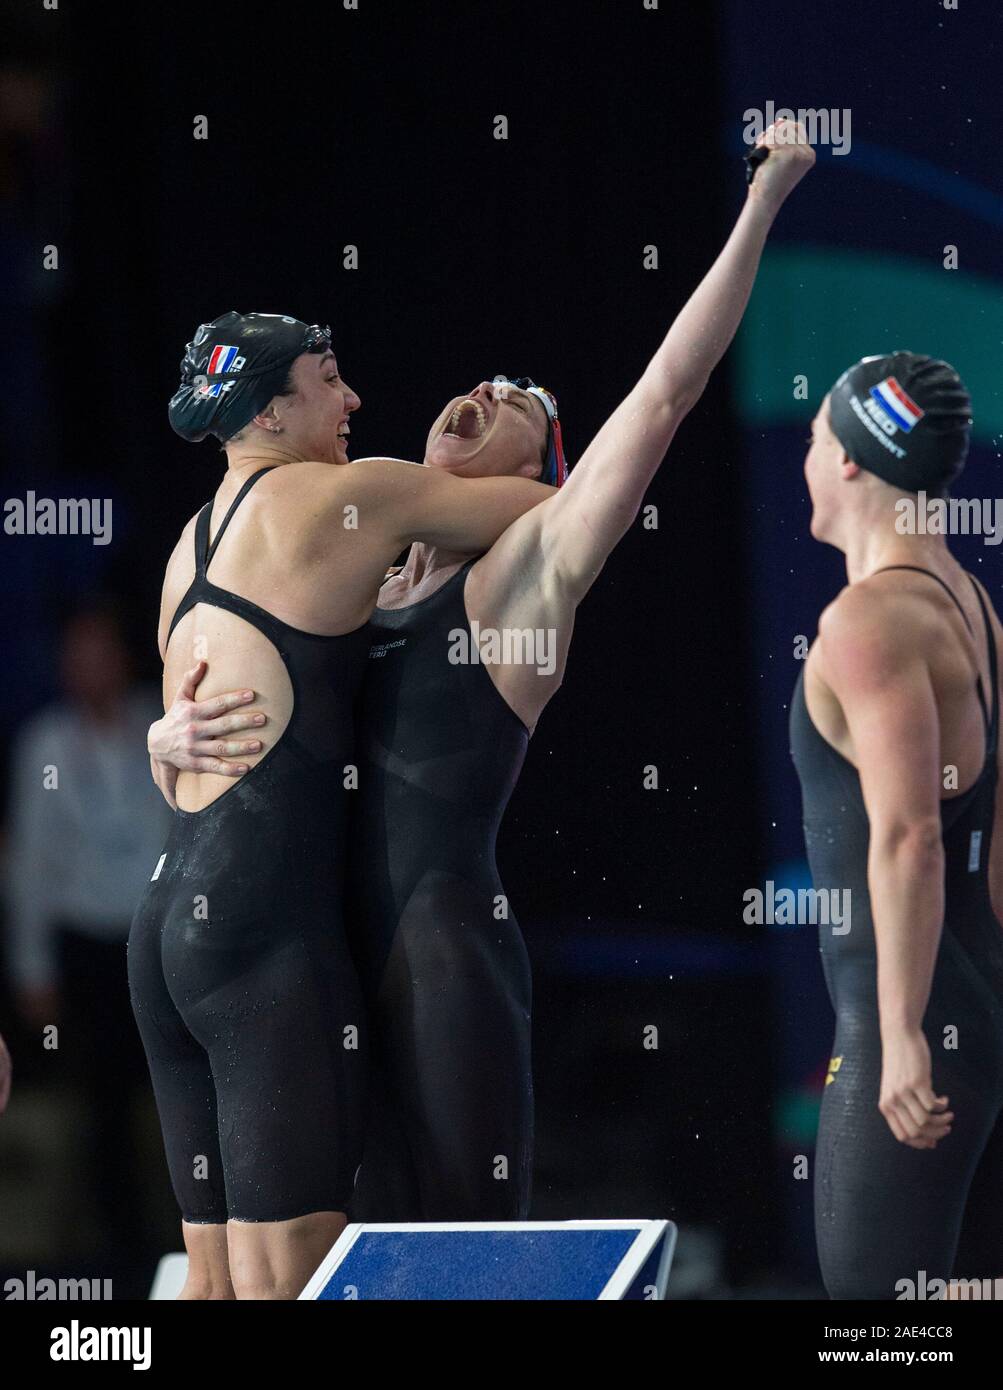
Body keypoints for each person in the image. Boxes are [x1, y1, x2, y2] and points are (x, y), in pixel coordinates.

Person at [149, 120, 815, 1221]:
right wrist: (162, 740)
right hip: (312, 959)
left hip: (436, 962)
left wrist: (762, 205)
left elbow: (663, 393)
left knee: (462, 1257)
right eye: (483, 381)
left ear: (541, 470)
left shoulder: (524, 577)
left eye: (522, 404)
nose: (487, 393)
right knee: (341, 1274)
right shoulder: (348, 582)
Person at [129, 312, 550, 1299]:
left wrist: (155, 738)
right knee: (292, 1286)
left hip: (164, 929)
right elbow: (540, 512)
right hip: (258, 933)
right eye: (330, 377)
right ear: (274, 408)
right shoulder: (348, 496)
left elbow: (174, 742)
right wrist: (523, 437)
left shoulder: (185, 549)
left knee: (212, 1283)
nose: (353, 399)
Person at [790, 351, 1003, 1299]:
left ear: (846, 457)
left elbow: (910, 834)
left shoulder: (866, 622)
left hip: (906, 1029)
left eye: (809, 437)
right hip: (976, 1004)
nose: (803, 457)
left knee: (879, 1332)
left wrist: (903, 1031)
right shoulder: (969, 604)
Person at [6, 600, 172, 1257]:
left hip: (156, 940)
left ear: (122, 657)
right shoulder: (45, 743)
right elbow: (32, 867)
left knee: (171, 1090)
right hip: (86, 950)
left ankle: (191, 1236)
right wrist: (33, 970)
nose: (87, 667)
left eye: (99, 651)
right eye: (75, 654)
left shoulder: (157, 725)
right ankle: (119, 1246)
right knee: (100, 1102)